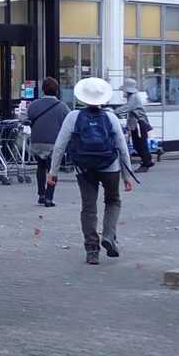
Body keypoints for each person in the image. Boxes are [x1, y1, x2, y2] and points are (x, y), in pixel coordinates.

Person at [48, 77, 134, 265]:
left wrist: (53, 172)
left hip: (84, 167)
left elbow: (60, 146)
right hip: (110, 166)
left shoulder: (73, 117)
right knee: (113, 200)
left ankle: (92, 250)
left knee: (88, 207)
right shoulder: (111, 117)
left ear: (82, 97)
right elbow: (122, 147)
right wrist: (127, 176)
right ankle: (109, 235)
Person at [22, 77, 67, 207]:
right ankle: (49, 197)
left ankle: (41, 194)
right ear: (57, 91)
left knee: (40, 166)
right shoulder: (62, 107)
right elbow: (68, 123)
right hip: (53, 143)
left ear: (43, 90)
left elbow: (25, 118)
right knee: (52, 169)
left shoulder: (34, 104)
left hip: (37, 141)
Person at [120, 78, 153, 171]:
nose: (123, 92)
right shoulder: (132, 97)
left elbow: (127, 108)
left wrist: (113, 111)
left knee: (140, 144)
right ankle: (147, 161)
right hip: (137, 123)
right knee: (137, 144)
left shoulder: (133, 97)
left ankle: (146, 163)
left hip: (139, 123)